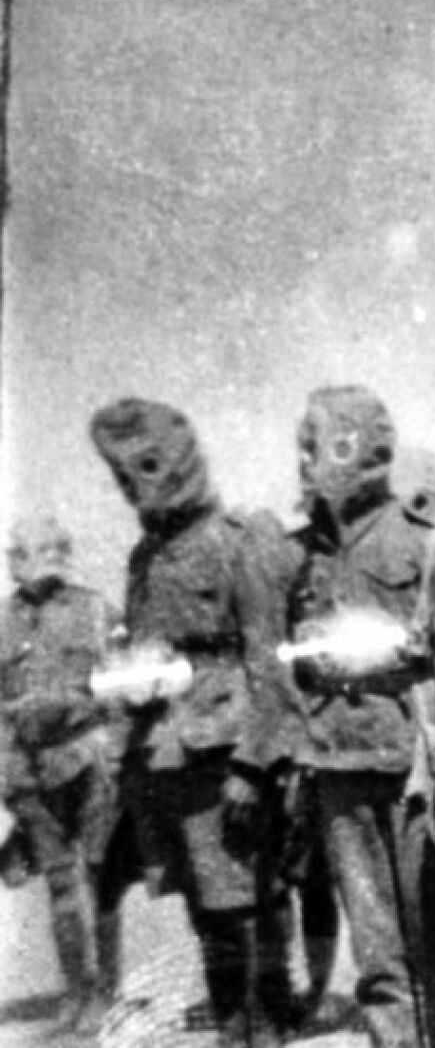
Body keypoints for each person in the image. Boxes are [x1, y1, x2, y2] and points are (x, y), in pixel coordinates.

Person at [89, 397, 301, 1048]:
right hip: (163, 756)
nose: (136, 486)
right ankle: (233, 1025)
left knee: (247, 897)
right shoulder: (143, 558)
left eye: (148, 466)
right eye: (124, 475)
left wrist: (253, 765)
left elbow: (267, 664)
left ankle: (266, 1021)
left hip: (225, 752)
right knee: (203, 905)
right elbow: (139, 653)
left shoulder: (241, 539)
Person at [278, 386, 435, 1048]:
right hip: (337, 767)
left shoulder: (430, 547)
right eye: (307, 446)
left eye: (325, 445)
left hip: (417, 768)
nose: (311, 460)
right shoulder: (300, 557)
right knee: (376, 953)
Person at [0, 514, 134, 1035]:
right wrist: (6, 773)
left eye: (29, 550)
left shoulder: (95, 610)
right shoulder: (4, 620)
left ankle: (108, 992)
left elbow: (122, 688)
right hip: (32, 769)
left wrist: (116, 757)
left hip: (90, 757)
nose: (19, 560)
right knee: (59, 883)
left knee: (101, 878)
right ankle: (75, 991)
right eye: (15, 552)